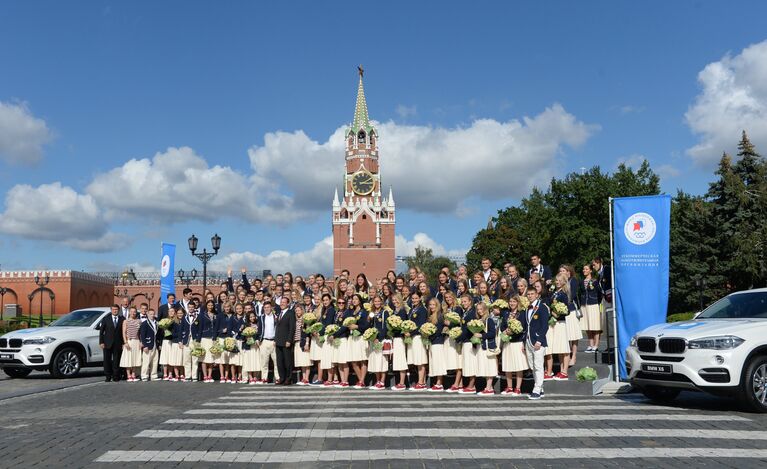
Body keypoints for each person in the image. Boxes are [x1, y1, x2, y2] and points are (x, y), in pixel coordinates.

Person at [521, 287, 549, 400]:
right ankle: (540, 388)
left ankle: (536, 389)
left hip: (538, 341)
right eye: (528, 294)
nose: (530, 296)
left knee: (538, 365)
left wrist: (539, 340)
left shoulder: (542, 307)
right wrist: (524, 341)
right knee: (532, 366)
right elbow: (525, 326)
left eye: (532, 294)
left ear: (537, 295)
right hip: (528, 340)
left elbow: (545, 326)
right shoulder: (527, 308)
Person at [545, 274, 573, 380]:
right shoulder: (554, 292)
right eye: (556, 280)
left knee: (564, 348)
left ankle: (565, 371)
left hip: (560, 323)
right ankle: (561, 370)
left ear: (564, 282)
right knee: (559, 348)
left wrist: (558, 314)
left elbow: (567, 310)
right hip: (554, 323)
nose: (557, 282)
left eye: (559, 280)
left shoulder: (564, 294)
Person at [500, 296, 528, 396]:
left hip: (517, 342)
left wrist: (513, 332)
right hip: (508, 343)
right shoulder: (506, 313)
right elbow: (502, 325)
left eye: (514, 301)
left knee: (518, 366)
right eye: (510, 301)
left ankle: (518, 388)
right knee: (508, 365)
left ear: (518, 303)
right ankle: (509, 387)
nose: (512, 303)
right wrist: (505, 331)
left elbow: (523, 327)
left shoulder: (522, 313)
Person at [474, 302, 498, 396]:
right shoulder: (478, 320)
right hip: (481, 347)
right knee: (484, 366)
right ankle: (489, 387)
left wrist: (481, 335)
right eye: (478, 309)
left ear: (485, 309)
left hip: (488, 347)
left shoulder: (489, 320)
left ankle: (488, 388)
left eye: (481, 309)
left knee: (489, 367)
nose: (480, 311)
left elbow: (493, 333)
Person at [406, 292, 429, 391]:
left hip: (418, 337)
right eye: (413, 298)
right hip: (413, 337)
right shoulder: (412, 309)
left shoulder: (422, 310)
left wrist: (410, 333)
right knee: (416, 360)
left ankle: (421, 382)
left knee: (420, 360)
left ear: (420, 298)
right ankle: (421, 381)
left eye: (416, 298)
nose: (414, 300)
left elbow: (421, 325)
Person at [442, 291, 463, 393]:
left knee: (457, 360)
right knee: (452, 360)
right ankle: (460, 383)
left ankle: (456, 383)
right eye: (446, 297)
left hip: (455, 336)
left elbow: (459, 323)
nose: (448, 299)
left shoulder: (458, 308)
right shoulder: (445, 309)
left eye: (450, 297)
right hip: (447, 337)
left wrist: (450, 324)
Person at [347, 294, 369, 389]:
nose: (354, 300)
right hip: (353, 338)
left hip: (361, 338)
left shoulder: (364, 312)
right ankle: (361, 380)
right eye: (353, 299)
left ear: (360, 301)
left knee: (363, 360)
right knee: (354, 361)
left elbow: (367, 326)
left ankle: (361, 381)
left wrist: (357, 327)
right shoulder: (351, 312)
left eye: (356, 299)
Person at [366, 295, 388, 390]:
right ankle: (377, 380)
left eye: (379, 301)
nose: (377, 303)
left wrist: (379, 338)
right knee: (375, 360)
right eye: (375, 301)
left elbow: (385, 327)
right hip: (373, 339)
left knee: (381, 360)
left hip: (380, 339)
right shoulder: (372, 313)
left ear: (381, 302)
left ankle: (382, 381)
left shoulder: (385, 312)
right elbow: (370, 325)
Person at [457, 294, 477, 394]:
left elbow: (469, 329)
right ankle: (470, 384)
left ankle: (472, 385)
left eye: (465, 301)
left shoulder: (472, 312)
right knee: (467, 363)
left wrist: (459, 337)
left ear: (470, 302)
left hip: (469, 341)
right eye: (462, 301)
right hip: (465, 341)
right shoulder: (466, 312)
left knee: (470, 363)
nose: (463, 303)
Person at [580, 264, 603, 352]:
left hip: (593, 304)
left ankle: (596, 345)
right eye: (583, 269)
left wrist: (597, 302)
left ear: (590, 270)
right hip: (584, 305)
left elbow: (599, 293)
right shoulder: (582, 281)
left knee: (595, 326)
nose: (584, 270)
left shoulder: (595, 281)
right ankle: (590, 344)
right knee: (587, 326)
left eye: (586, 269)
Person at [331, 296, 353, 388]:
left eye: (343, 303)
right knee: (339, 360)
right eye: (339, 303)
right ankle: (342, 380)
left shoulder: (347, 312)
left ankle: (346, 380)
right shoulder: (336, 312)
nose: (341, 304)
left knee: (344, 361)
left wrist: (335, 334)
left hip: (343, 337)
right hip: (336, 339)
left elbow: (345, 326)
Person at [426, 297, 447, 392]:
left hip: (438, 342)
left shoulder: (439, 315)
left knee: (438, 362)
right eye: (430, 305)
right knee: (434, 362)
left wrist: (430, 334)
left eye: (433, 304)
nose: (431, 306)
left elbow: (438, 331)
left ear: (437, 305)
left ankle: (439, 383)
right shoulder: (431, 315)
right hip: (432, 342)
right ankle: (437, 383)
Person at [389, 293, 410, 391]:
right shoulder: (394, 312)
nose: (395, 302)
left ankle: (402, 383)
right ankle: (400, 382)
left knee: (401, 360)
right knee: (397, 360)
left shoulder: (402, 311)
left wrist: (396, 329)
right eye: (393, 300)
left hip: (400, 338)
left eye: (396, 299)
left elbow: (404, 325)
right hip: (395, 338)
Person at [274, 297, 297, 385]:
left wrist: (289, 340)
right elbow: (277, 328)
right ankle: (282, 378)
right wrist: (275, 339)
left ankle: (288, 378)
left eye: (284, 302)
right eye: (281, 302)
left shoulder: (290, 313)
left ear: (288, 304)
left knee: (288, 361)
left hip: (286, 341)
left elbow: (292, 328)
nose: (282, 303)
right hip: (278, 341)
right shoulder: (279, 313)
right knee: (279, 362)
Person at [99, 305, 124, 382]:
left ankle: (116, 376)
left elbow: (123, 332)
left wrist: (123, 343)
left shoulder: (122, 319)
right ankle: (108, 376)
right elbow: (101, 332)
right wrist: (101, 342)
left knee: (116, 360)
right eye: (113, 309)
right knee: (107, 360)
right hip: (107, 343)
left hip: (118, 343)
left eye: (116, 309)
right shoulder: (106, 319)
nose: (115, 311)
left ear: (118, 310)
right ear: (111, 310)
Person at [196, 301, 218, 383]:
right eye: (209, 305)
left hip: (213, 338)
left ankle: (210, 375)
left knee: (211, 358)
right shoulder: (202, 315)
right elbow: (200, 327)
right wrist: (198, 340)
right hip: (204, 337)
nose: (210, 306)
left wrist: (215, 338)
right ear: (206, 306)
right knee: (204, 358)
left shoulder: (216, 314)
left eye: (212, 305)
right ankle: (205, 376)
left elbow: (216, 326)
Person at [258, 302, 280, 384]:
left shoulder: (276, 317)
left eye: (268, 307)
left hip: (274, 341)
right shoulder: (261, 317)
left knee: (276, 361)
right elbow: (259, 329)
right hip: (264, 341)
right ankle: (264, 378)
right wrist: (258, 340)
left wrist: (276, 340)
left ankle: (278, 377)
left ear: (271, 308)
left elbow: (278, 329)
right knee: (264, 361)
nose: (267, 309)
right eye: (265, 307)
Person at [319, 294, 338, 387]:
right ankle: (333, 378)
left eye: (327, 300)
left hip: (328, 335)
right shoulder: (325, 310)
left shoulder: (331, 310)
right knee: (327, 357)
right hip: (326, 335)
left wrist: (319, 332)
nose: (325, 302)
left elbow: (327, 324)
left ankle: (330, 379)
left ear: (330, 300)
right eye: (324, 300)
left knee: (329, 358)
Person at [119, 307, 142, 382]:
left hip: (137, 341)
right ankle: (128, 375)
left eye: (134, 312)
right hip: (129, 341)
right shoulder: (126, 321)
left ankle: (133, 374)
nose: (133, 313)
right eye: (131, 311)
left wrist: (140, 342)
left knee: (135, 359)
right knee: (128, 359)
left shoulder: (139, 321)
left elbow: (140, 333)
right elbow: (124, 332)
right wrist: (125, 342)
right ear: (129, 312)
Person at [215, 300, 234, 383]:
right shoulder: (220, 316)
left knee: (228, 359)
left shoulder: (233, 315)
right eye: (225, 307)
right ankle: (222, 376)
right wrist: (222, 330)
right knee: (222, 358)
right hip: (222, 338)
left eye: (228, 307)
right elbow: (216, 328)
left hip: (231, 339)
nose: (227, 308)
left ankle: (227, 376)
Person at [139, 309, 160, 381]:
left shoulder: (156, 323)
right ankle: (144, 375)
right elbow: (142, 335)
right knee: (146, 361)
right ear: (147, 314)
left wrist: (158, 344)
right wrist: (145, 345)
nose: (152, 315)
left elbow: (158, 334)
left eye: (153, 314)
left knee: (155, 360)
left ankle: (153, 375)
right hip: (148, 344)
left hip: (155, 344)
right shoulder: (144, 323)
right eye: (150, 314)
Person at [293, 305, 312, 385]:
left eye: (299, 310)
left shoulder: (305, 320)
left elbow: (307, 333)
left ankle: (307, 378)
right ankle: (303, 378)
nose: (298, 312)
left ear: (302, 311)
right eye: (296, 311)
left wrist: (307, 343)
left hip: (304, 342)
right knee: (301, 362)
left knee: (306, 362)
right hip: (297, 342)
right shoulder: (295, 320)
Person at [228, 303, 246, 384]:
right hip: (234, 341)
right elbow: (229, 328)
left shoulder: (245, 318)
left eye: (240, 308)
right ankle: (233, 376)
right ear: (235, 310)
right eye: (237, 308)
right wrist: (234, 334)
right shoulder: (232, 317)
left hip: (241, 341)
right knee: (233, 360)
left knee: (240, 361)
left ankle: (239, 376)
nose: (239, 310)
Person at [242, 310, 261, 385]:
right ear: (248, 318)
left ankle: (256, 377)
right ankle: (250, 377)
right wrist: (247, 336)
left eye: (253, 316)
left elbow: (259, 334)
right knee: (249, 361)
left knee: (256, 361)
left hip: (255, 345)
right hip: (248, 346)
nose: (252, 318)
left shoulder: (258, 324)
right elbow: (242, 336)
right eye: (251, 317)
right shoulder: (245, 325)